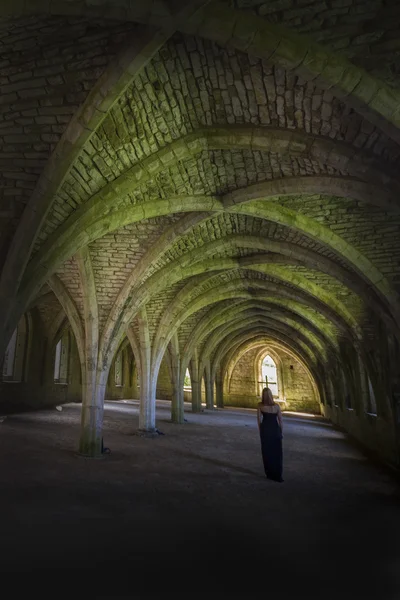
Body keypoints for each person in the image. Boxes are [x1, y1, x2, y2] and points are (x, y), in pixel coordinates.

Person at [257, 387, 283, 482]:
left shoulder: (260, 406)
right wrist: (281, 432)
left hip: (265, 431)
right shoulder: (276, 406)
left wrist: (261, 432)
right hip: (275, 431)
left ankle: (269, 473)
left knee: (267, 453)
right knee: (277, 453)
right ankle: (278, 474)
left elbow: (259, 421)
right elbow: (280, 421)